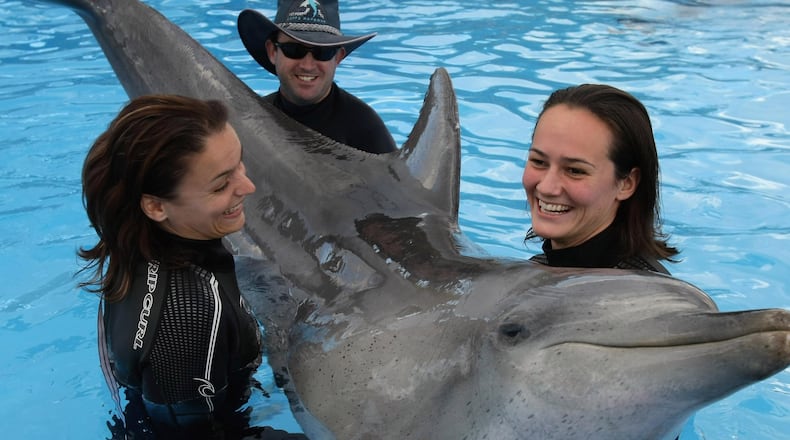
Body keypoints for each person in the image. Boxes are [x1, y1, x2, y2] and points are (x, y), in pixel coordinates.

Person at [77, 94, 307, 439]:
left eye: (240, 164)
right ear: (156, 206)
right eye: (221, 184)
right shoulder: (189, 319)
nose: (248, 186)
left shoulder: (135, 241)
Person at [522, 84, 679, 274]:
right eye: (538, 161)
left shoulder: (651, 297)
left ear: (626, 184)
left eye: (575, 170)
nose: (547, 187)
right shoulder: (528, 273)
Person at [237, 0, 397, 154]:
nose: (307, 65)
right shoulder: (252, 122)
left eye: (323, 52)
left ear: (338, 57)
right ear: (272, 51)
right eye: (294, 50)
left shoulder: (364, 127)